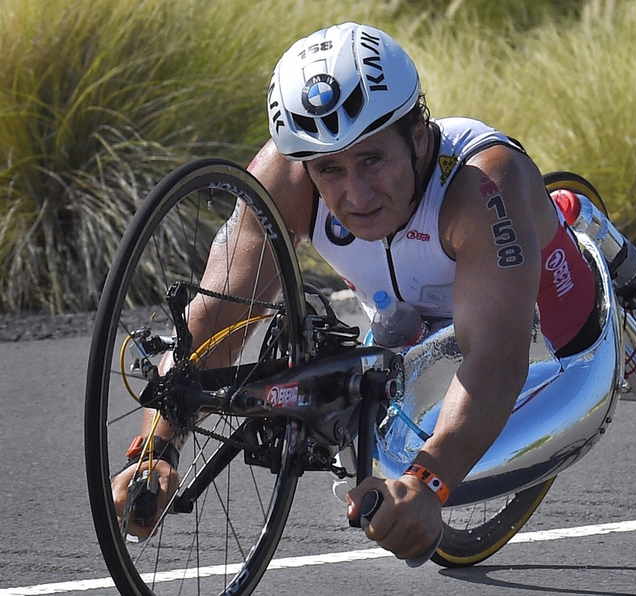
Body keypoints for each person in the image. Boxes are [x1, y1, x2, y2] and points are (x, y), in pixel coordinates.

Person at [111, 22, 602, 564]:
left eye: (372, 159)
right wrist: (158, 447)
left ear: (418, 135)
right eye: (331, 170)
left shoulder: (481, 185)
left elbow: (496, 356)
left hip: (545, 328)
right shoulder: (286, 178)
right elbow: (215, 319)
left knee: (414, 455)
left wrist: (430, 483)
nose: (355, 194)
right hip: (409, 326)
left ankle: (577, 226)